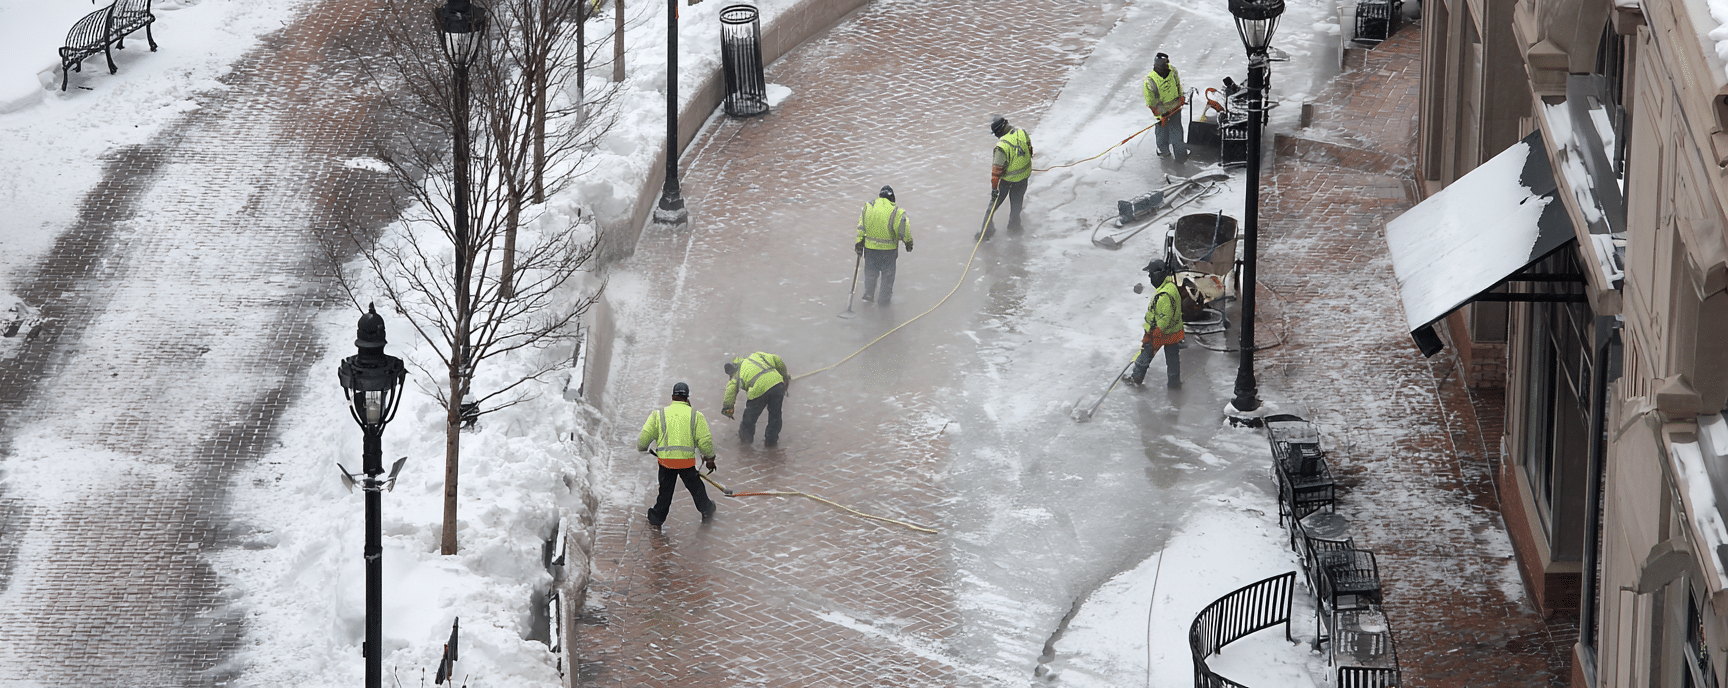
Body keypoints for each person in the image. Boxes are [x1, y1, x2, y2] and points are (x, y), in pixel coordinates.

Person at [636, 381, 718, 527]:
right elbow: (705, 441)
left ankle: (657, 517)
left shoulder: (658, 415)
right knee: (695, 487)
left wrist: (643, 448)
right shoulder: (696, 416)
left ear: (672, 396)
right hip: (686, 462)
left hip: (666, 462)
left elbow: (642, 441)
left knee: (665, 491)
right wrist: (710, 459)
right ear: (687, 397)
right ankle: (707, 508)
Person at [1126, 259, 1184, 387]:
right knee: (1173, 360)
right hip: (1173, 331)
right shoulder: (1170, 287)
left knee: (1145, 355)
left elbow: (1164, 317)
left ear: (1157, 275)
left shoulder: (1164, 295)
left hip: (1159, 332)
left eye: (1151, 275)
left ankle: (1136, 378)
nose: (1150, 278)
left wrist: (1153, 333)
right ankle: (1174, 383)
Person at [855, 185, 914, 306]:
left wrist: (859, 242)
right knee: (887, 278)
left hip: (870, 250)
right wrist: (908, 243)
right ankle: (883, 303)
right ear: (892, 198)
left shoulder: (868, 206)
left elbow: (861, 227)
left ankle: (868, 297)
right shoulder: (897, 212)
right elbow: (904, 229)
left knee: (871, 274)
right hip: (888, 252)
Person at [978, 115, 1033, 241]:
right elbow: (1030, 151)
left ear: (999, 131)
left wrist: (994, 189)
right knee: (1016, 206)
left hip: (1007, 181)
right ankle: (1015, 229)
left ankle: (985, 233)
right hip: (1023, 178)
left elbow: (996, 172)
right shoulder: (1022, 132)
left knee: (991, 208)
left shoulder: (1002, 146)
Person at [722, 352, 790, 447]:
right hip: (777, 384)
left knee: (749, 419)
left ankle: (745, 444)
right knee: (775, 415)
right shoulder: (757, 355)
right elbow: (777, 359)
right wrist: (784, 376)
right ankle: (771, 443)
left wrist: (728, 410)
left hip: (758, 391)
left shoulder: (736, 375)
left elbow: (730, 391)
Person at [1143, 52, 1188, 164]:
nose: (1167, 65)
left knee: (1177, 132)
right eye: (1165, 64)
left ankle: (1180, 155)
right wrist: (1161, 116)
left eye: (1167, 62)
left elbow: (1178, 84)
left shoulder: (1172, 70)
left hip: (1175, 107)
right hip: (1162, 112)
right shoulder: (1150, 81)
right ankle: (1163, 152)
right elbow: (1152, 103)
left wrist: (1181, 96)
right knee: (1162, 132)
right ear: (1158, 65)